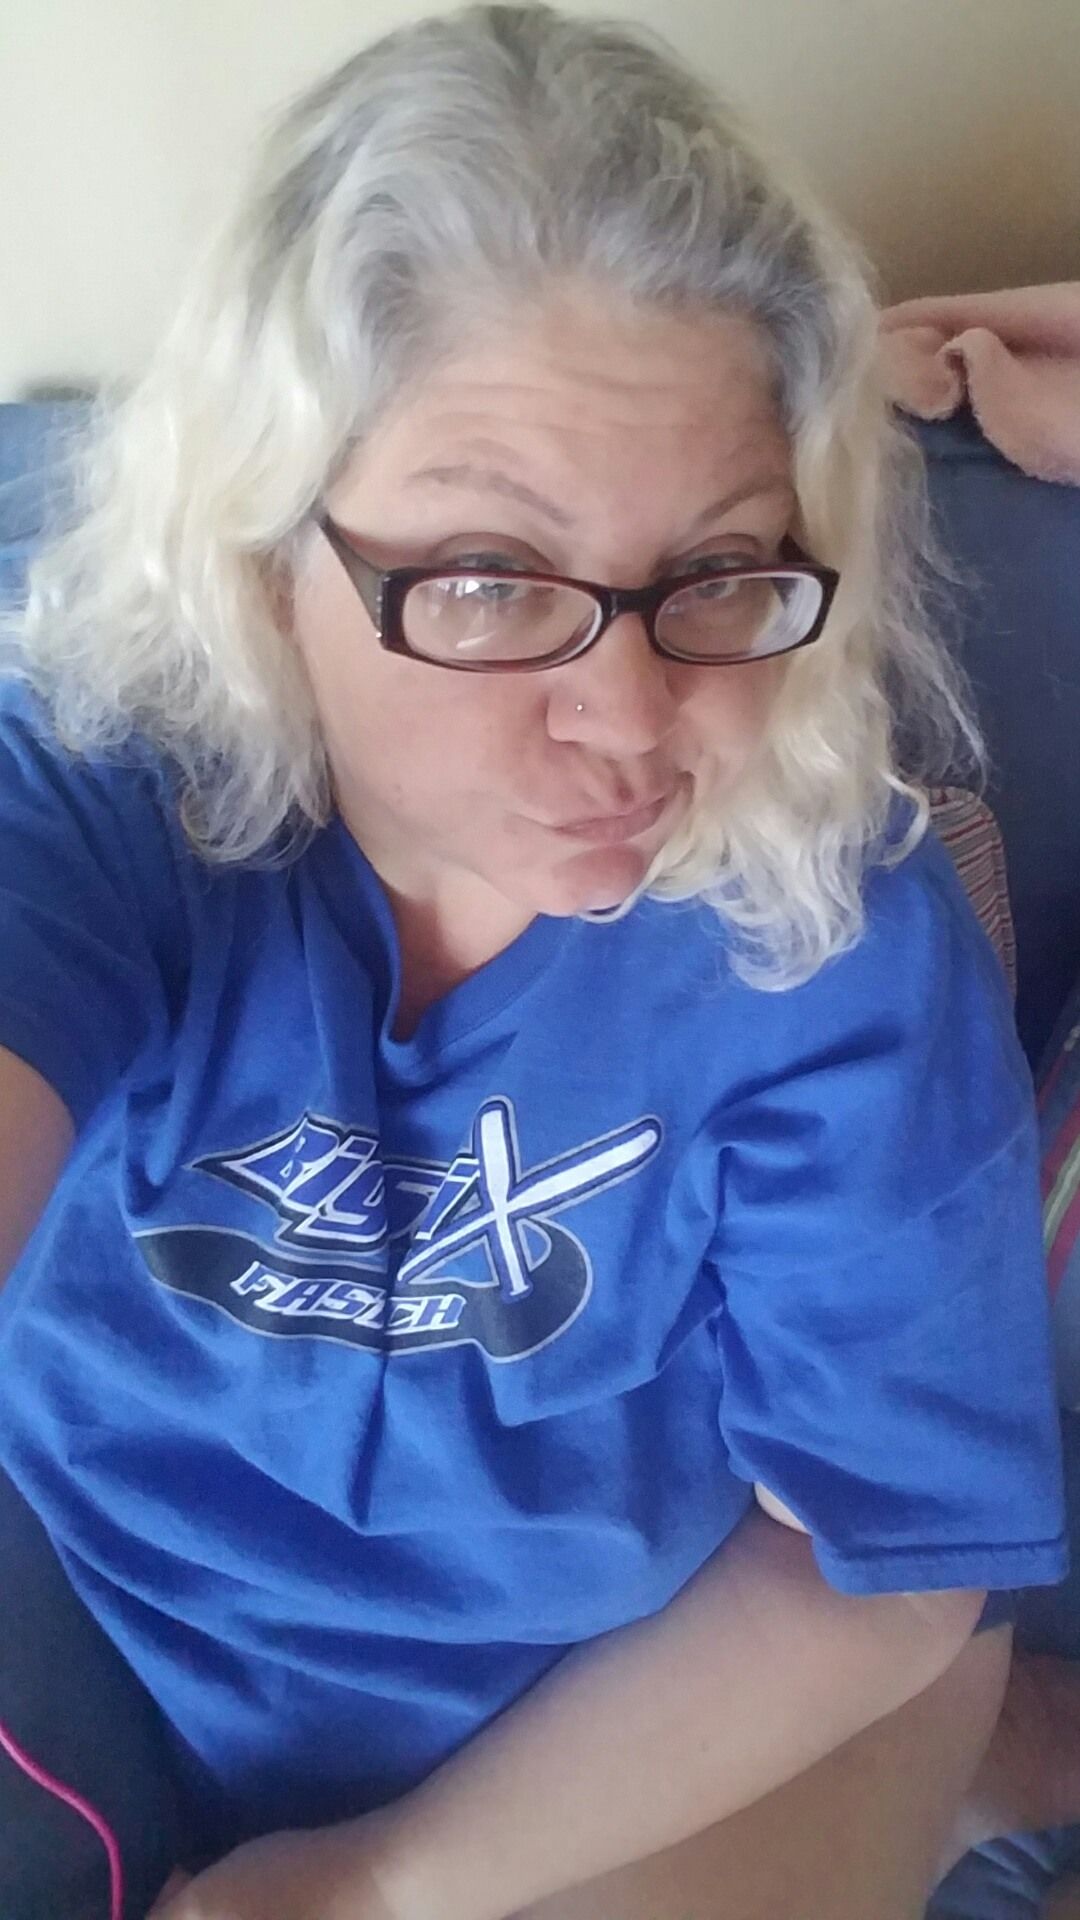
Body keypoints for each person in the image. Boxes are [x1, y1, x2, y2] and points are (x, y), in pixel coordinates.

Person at [0, 6, 1067, 1916]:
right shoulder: (100, 784)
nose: (633, 723)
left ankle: (963, 1777)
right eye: (487, 581)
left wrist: (378, 1883)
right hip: (113, 1604)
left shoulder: (833, 945)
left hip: (633, 1677)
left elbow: (873, 1556)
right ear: (263, 554)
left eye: (719, 571)